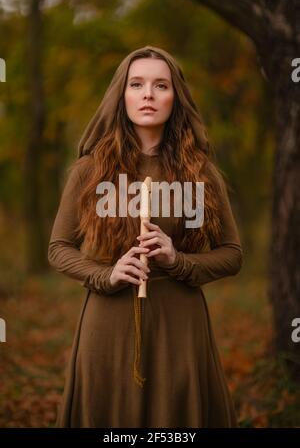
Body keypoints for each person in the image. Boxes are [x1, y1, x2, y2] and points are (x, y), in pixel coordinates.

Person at [48, 45, 243, 428]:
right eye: (136, 84)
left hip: (180, 323)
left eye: (160, 85)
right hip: (107, 320)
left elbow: (232, 254)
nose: (148, 94)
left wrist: (178, 259)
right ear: (122, 95)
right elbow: (59, 249)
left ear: (176, 97)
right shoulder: (90, 170)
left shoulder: (200, 172)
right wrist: (107, 274)